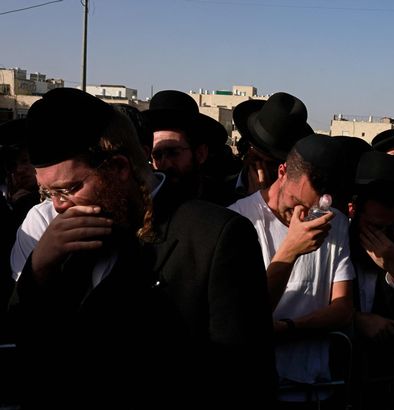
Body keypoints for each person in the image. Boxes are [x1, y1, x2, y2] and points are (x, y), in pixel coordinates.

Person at [12, 88, 276, 409]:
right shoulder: (65, 243)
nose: (59, 207)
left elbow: (244, 380)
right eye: (48, 194)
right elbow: (29, 350)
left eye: (69, 189)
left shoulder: (214, 236)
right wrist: (40, 267)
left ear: (120, 167)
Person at [228, 133, 355, 406]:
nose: (307, 215)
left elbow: (343, 308)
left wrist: (288, 328)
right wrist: (291, 249)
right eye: (299, 204)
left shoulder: (335, 223)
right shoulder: (238, 220)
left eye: (315, 208)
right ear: (282, 172)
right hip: (256, 387)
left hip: (316, 387)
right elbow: (244, 316)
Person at [349, 151, 394, 410]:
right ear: (354, 211)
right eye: (375, 228)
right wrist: (353, 320)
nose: (384, 242)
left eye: (392, 229)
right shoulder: (331, 244)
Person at [143, 89, 230, 205]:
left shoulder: (226, 204)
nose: (165, 164)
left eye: (173, 152)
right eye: (157, 155)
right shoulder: (143, 207)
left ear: (200, 154)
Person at [227, 91, 313, 203]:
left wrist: (264, 203)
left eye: (271, 165)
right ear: (248, 151)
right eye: (256, 159)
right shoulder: (217, 191)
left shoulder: (295, 207)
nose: (261, 170)